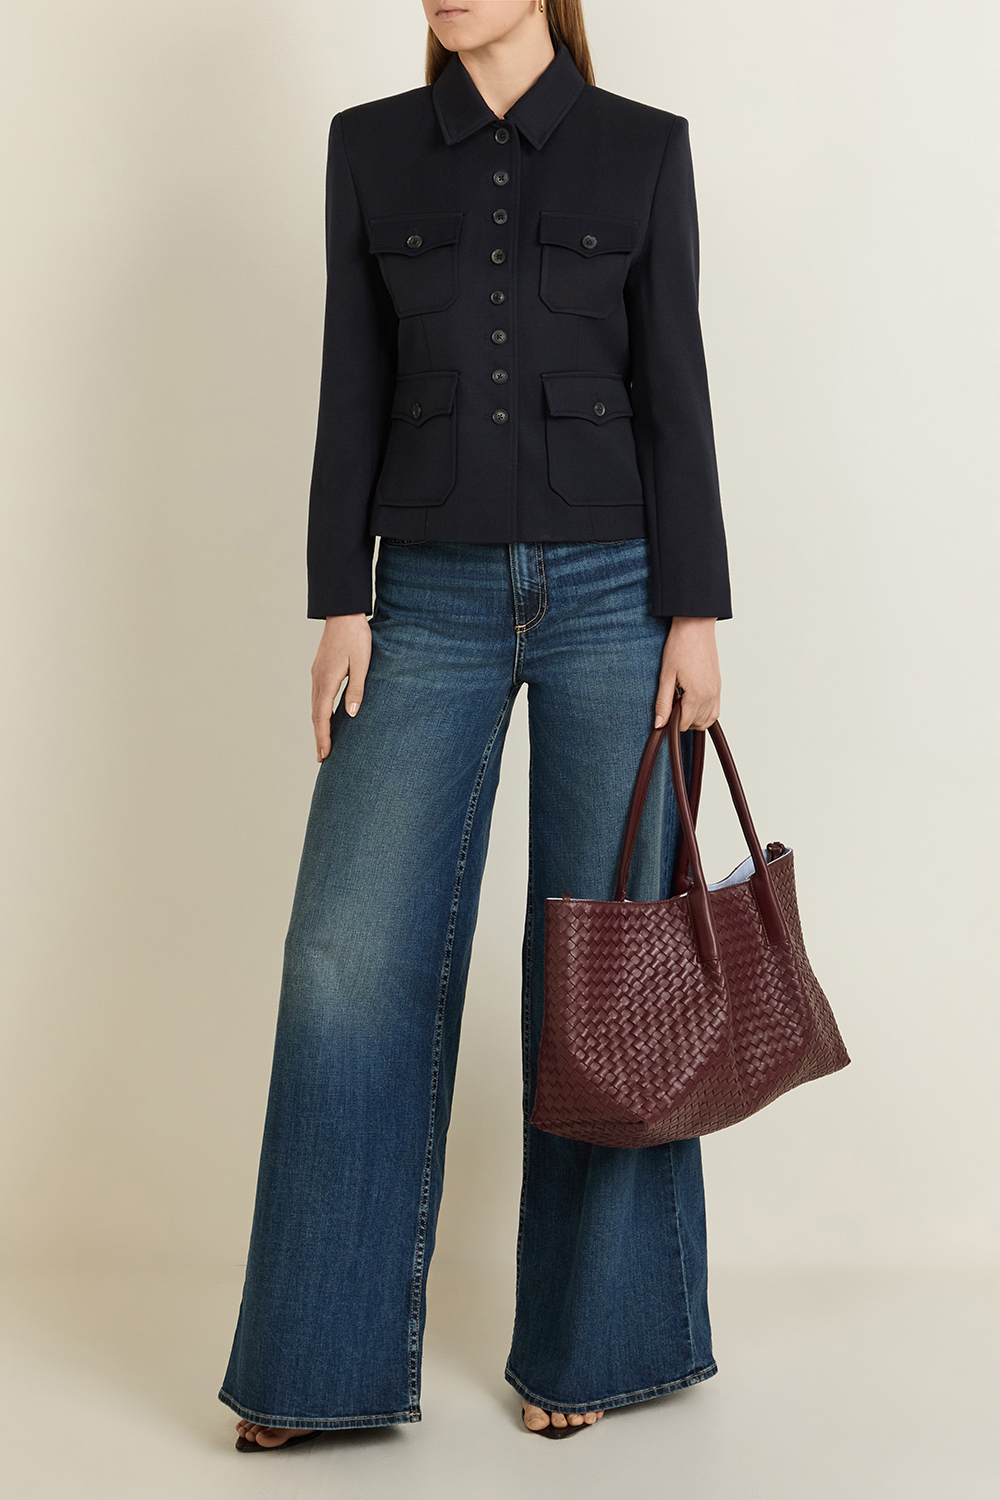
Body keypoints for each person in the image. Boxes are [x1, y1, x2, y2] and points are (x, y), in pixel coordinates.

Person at [220, 0, 731, 1448]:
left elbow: (676, 388)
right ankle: (317, 1367)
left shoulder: (644, 149)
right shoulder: (370, 148)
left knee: (607, 969)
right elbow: (354, 380)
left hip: (619, 597)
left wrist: (695, 613)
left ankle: (595, 1348)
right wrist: (341, 598)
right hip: (424, 604)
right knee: (344, 959)